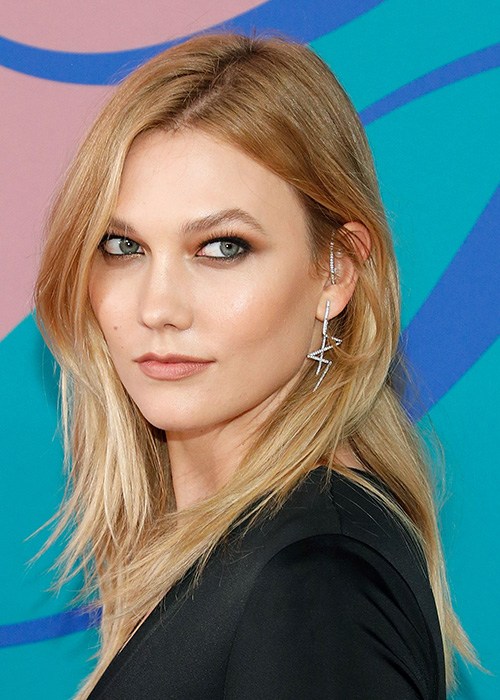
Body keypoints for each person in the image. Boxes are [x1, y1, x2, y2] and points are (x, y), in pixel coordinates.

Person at [34, 33, 478, 699]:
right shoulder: (252, 556)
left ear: (335, 270)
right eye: (123, 246)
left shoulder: (317, 580)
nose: (158, 308)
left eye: (222, 247)